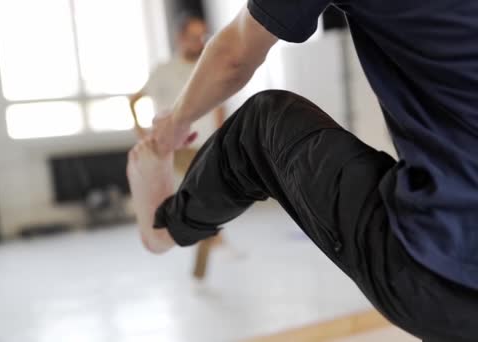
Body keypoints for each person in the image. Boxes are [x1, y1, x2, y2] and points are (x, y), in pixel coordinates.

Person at [127, 1, 478, 341]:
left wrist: (174, 123)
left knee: (262, 125)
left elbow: (234, 56)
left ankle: (163, 229)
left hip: (445, 272)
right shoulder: (166, 69)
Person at [128, 14, 228, 280]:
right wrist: (140, 131)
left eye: (203, 35)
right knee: (201, 199)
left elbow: (219, 104)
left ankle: (204, 252)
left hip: (206, 144)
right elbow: (135, 99)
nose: (199, 41)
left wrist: (221, 135)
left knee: (209, 199)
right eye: (194, 36)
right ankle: (200, 240)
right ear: (180, 38)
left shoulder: (207, 67)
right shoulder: (164, 70)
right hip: (177, 147)